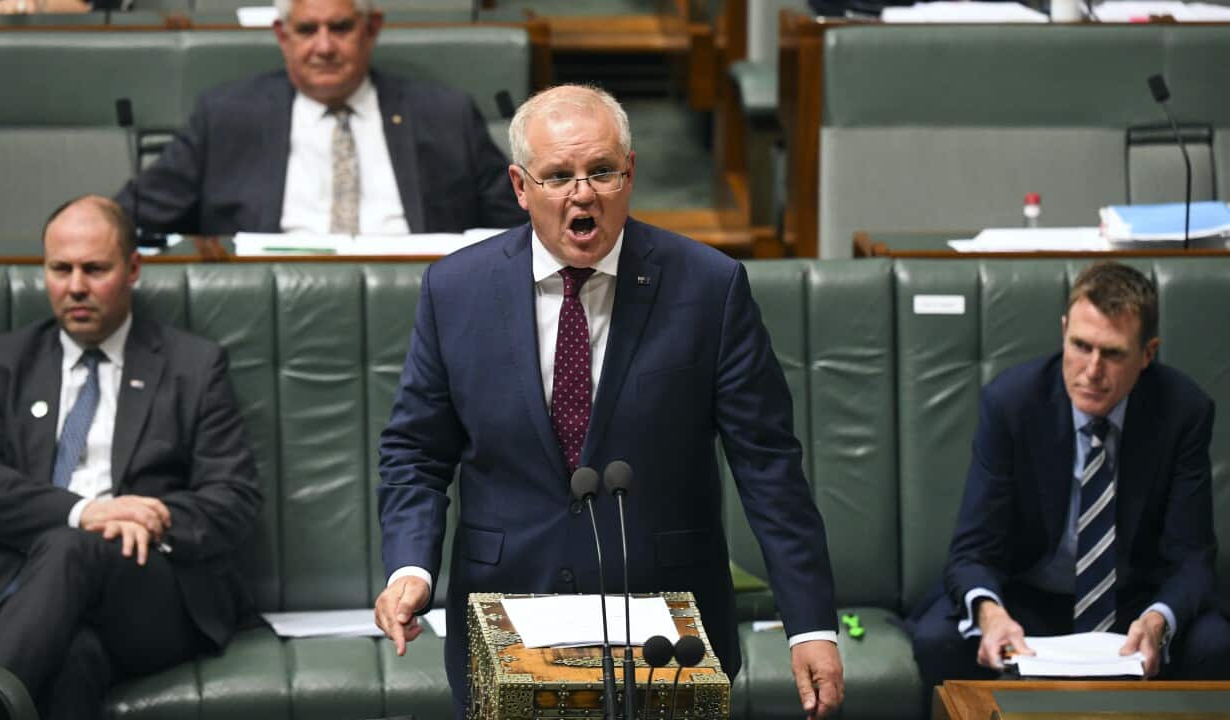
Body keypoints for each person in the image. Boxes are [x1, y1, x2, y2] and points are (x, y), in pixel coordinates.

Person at [372, 84, 844, 718]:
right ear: (520, 187)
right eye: (557, 176)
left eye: (601, 171)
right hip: (507, 616)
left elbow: (768, 466)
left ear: (630, 174)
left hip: (667, 631)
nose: (583, 194)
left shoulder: (710, 287)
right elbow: (415, 452)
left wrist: (810, 623)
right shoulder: (456, 289)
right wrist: (410, 568)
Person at [0, 195, 261, 720]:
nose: (75, 286)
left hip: (148, 593)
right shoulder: (0, 364)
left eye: (94, 269)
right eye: (60, 269)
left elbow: (234, 497)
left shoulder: (193, 366)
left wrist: (154, 517)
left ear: (133, 268)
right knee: (76, 657)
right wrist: (85, 512)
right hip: (19, 594)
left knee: (74, 548)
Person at [913, 261, 1230, 693]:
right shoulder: (1012, 404)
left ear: (1147, 353)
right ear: (1064, 331)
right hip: (1027, 598)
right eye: (1080, 345)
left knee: (1214, 644)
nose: (1092, 370)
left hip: (1134, 605)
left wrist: (1158, 619)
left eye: (1113, 353)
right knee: (938, 640)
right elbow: (972, 550)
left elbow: (1192, 557)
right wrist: (991, 614)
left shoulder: (1183, 411)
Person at [114, 0, 526, 236]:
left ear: (371, 29)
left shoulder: (444, 114)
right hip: (269, 303)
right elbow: (128, 216)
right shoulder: (225, 116)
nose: (324, 47)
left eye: (340, 28)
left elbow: (522, 223)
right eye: (308, 30)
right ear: (283, 36)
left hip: (419, 300)